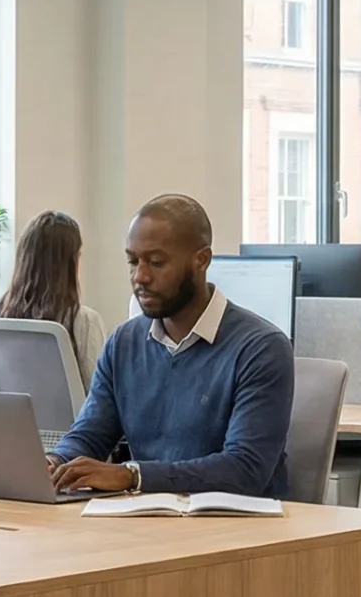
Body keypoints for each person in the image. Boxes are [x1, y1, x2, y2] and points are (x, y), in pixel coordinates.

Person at [49, 194, 294, 498]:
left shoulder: (260, 348)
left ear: (201, 260)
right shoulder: (123, 343)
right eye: (132, 261)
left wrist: (132, 475)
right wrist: (56, 462)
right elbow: (89, 435)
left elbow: (245, 470)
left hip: (234, 528)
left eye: (156, 262)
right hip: (150, 522)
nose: (140, 276)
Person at [0, 209, 109, 388]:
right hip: (72, 417)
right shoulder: (85, 321)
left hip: (12, 417)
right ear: (71, 262)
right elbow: (100, 397)